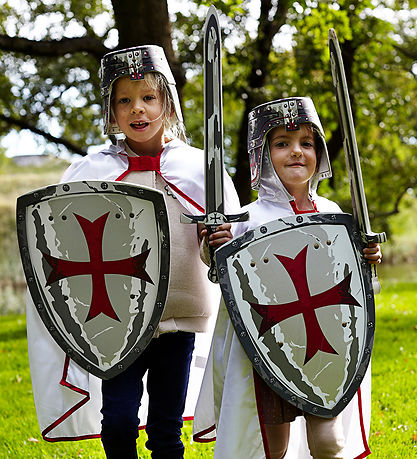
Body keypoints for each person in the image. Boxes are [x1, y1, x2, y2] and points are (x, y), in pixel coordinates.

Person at [26, 45, 238, 458]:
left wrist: (218, 241)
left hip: (177, 317)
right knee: (119, 421)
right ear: (111, 110)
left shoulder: (199, 167)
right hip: (114, 320)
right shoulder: (92, 171)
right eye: (124, 100)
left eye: (148, 98)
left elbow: (225, 255)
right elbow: (58, 237)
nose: (137, 110)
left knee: (165, 429)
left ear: (168, 104)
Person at [193, 97, 381, 459]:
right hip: (270, 347)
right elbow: (222, 272)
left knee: (329, 443)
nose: (296, 152)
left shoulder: (333, 214)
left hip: (326, 342)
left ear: (320, 153)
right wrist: (215, 243)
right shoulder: (247, 217)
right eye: (281, 144)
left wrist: (367, 257)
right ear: (262, 155)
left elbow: (355, 282)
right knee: (272, 447)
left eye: (306, 144)